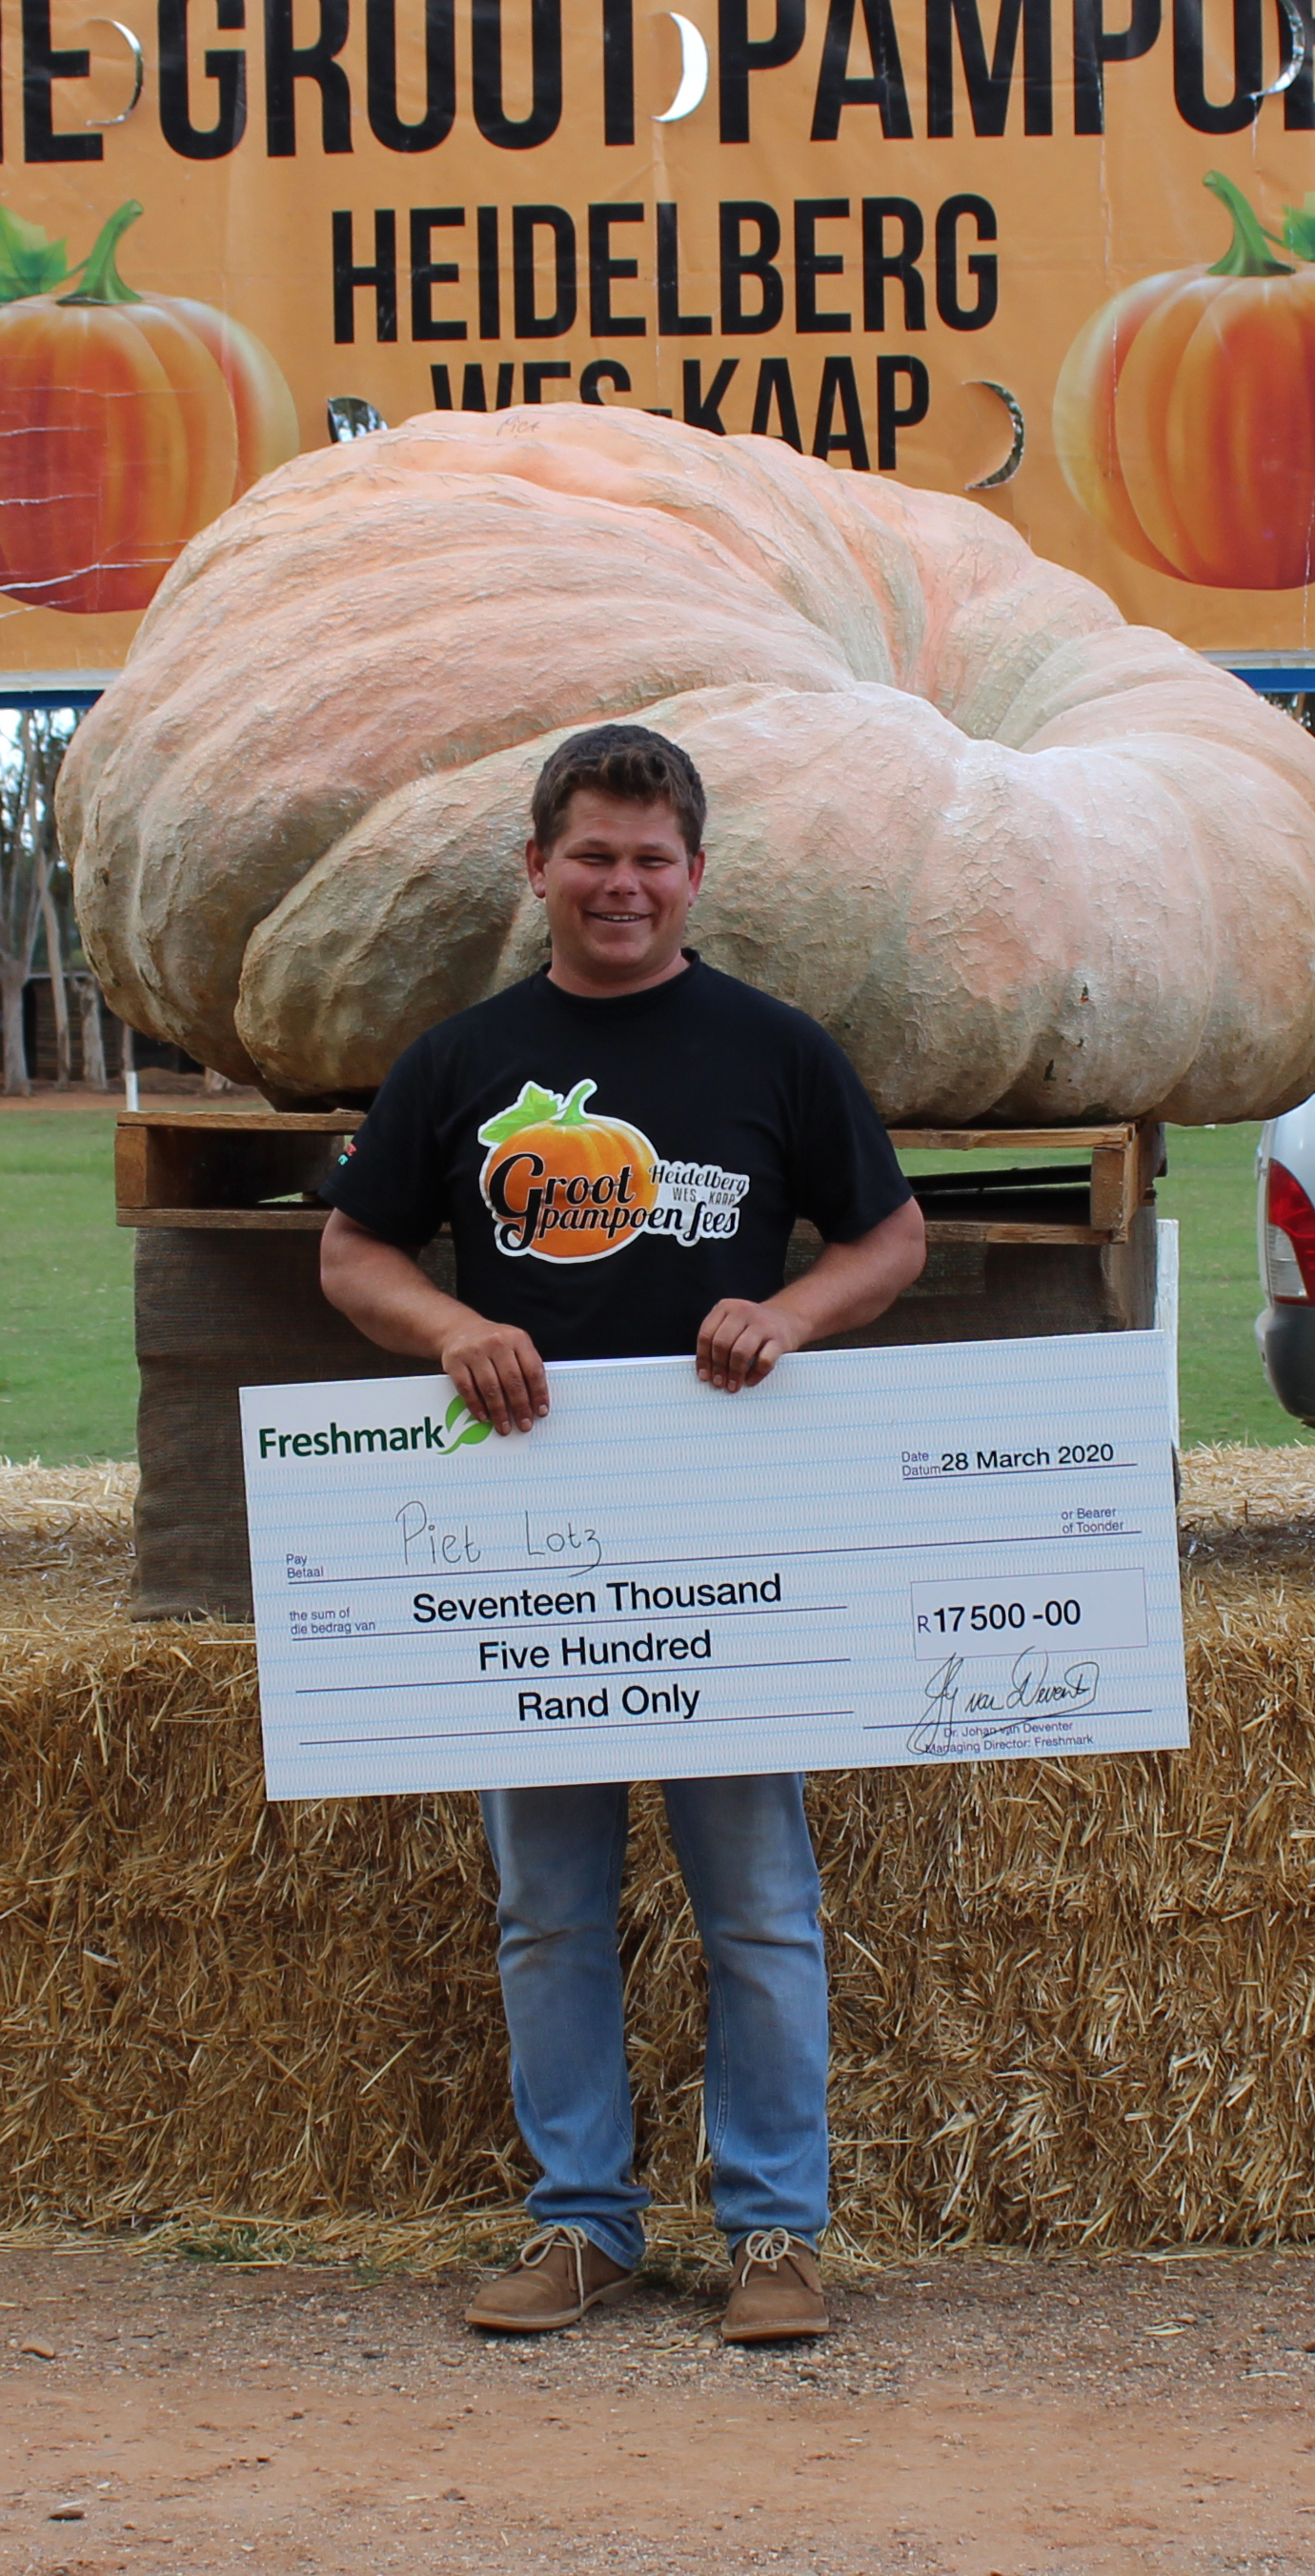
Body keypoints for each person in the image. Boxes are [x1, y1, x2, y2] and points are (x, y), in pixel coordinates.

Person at [317, 723, 929, 2346]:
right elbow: (354, 1253)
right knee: (546, 1905)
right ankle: (580, 2224)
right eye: (592, 854)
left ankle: (775, 2235)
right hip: (528, 1542)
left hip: (726, 1530)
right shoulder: (460, 1063)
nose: (621, 884)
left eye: (651, 859)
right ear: (537, 867)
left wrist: (790, 1315)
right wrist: (448, 1326)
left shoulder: (773, 1051)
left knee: (756, 1904)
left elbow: (888, 1237)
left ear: (694, 877)